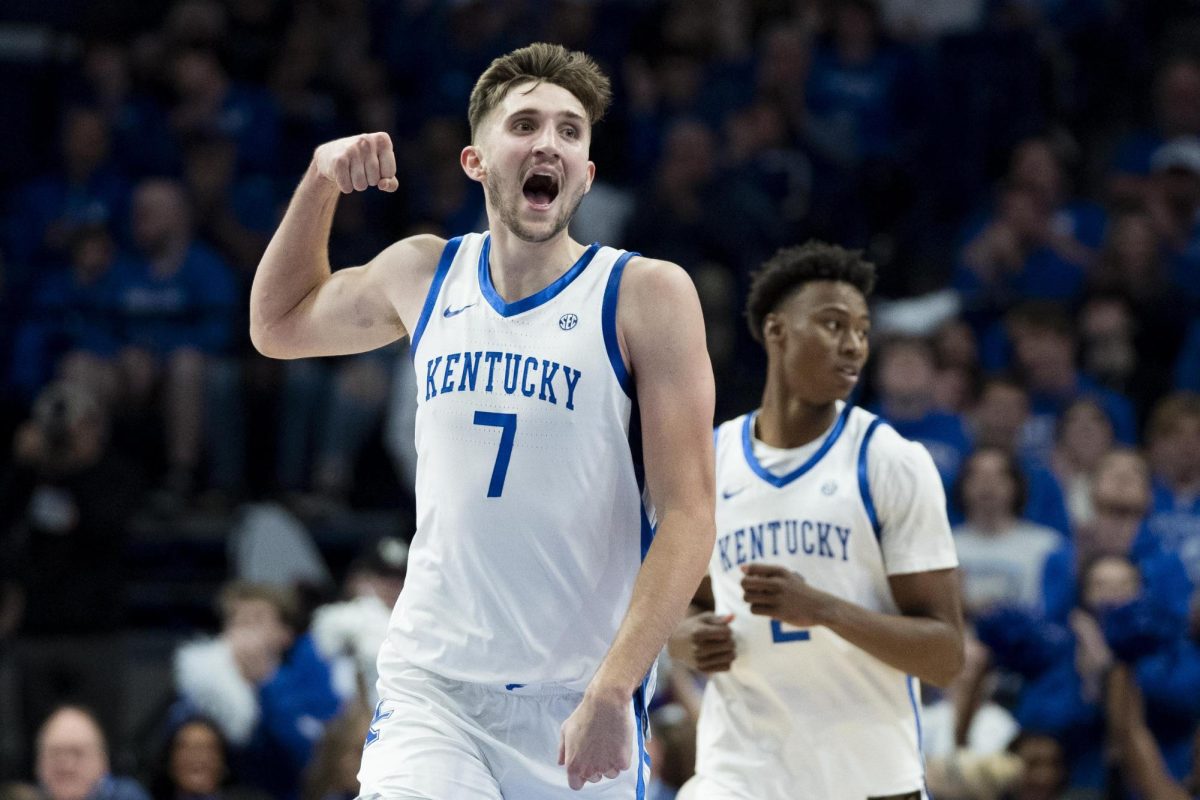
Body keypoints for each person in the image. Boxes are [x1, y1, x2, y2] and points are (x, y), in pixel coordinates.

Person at [248, 43, 715, 797]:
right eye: (525, 124)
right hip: (434, 689)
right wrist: (319, 182)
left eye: (571, 131)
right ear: (477, 161)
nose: (550, 144)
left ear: (587, 175)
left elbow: (689, 513)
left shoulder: (644, 294)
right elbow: (277, 325)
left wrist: (614, 688)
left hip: (577, 696)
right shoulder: (423, 272)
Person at [669, 242, 964, 800]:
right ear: (777, 331)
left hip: (870, 781)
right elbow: (689, 601)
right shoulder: (711, 460)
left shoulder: (890, 461)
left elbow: (946, 656)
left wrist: (823, 610)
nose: (853, 345)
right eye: (833, 325)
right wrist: (685, 638)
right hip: (740, 777)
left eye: (862, 329)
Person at [35, 706, 150, 800]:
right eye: (55, 754)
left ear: (103, 761)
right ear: (39, 764)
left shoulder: (127, 796)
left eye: (77, 753)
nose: (66, 766)